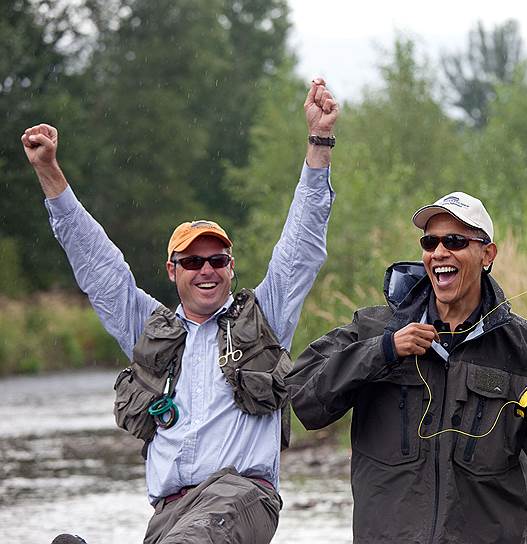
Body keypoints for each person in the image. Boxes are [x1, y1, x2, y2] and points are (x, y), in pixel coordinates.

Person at [21, 78, 339, 544]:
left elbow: (301, 246)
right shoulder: (149, 331)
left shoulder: (265, 318)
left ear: (231, 267)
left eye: (217, 260)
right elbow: (98, 267)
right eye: (192, 261)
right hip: (169, 512)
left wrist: (320, 142)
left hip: (241, 497)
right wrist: (49, 171)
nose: (206, 270)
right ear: (173, 271)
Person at [286, 191, 527, 543]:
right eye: (430, 242)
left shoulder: (524, 348)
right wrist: (384, 350)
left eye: (455, 241)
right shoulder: (374, 329)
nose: (439, 252)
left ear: (487, 254)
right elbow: (305, 398)